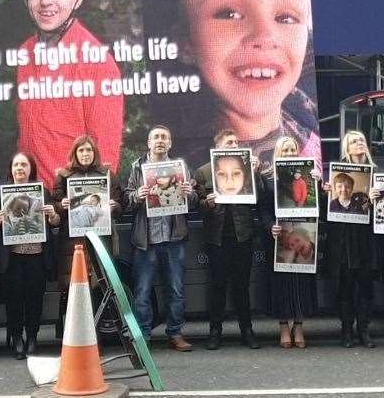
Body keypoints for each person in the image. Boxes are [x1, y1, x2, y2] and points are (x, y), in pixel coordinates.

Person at [145, 0, 321, 171]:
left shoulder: (304, 108)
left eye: (286, 17)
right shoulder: (177, 167)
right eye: (229, 13)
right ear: (185, 42)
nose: (265, 36)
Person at [16, 0, 124, 186]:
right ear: (26, 0)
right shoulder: (25, 52)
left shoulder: (98, 61)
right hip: (33, 195)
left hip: (73, 200)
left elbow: (105, 151)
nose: (45, 1)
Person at [124, 125, 198, 351]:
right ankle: (143, 336)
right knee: (142, 291)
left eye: (164, 137)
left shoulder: (181, 167)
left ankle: (175, 334)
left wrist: (189, 194)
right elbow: (126, 200)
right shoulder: (137, 168)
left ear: (170, 143)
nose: (160, 140)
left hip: (174, 238)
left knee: (175, 289)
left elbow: (195, 199)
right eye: (155, 137)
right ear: (148, 143)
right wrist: (137, 196)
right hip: (146, 241)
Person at [195, 129, 264, 350]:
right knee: (217, 286)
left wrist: (256, 174)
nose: (234, 145)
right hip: (216, 238)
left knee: (241, 286)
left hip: (243, 235)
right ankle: (215, 332)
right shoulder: (204, 172)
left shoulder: (248, 168)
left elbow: (262, 198)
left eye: (236, 142)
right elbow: (195, 205)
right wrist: (208, 203)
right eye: (229, 142)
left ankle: (247, 331)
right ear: (218, 146)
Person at [0, 152, 59, 359]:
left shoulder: (42, 192)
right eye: (16, 165)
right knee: (14, 300)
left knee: (35, 298)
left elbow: (55, 223)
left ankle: (33, 337)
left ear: (31, 169)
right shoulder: (0, 194)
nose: (20, 168)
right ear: (11, 169)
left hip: (37, 255)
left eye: (24, 165)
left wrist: (53, 215)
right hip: (11, 259)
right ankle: (17, 337)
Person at [52, 135, 124, 334]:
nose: (85, 154)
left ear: (95, 153)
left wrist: (114, 205)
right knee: (75, 287)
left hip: (101, 238)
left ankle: (98, 336)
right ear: (75, 153)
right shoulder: (63, 175)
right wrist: (61, 205)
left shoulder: (107, 174)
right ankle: (74, 335)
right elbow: (55, 205)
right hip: (73, 242)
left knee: (100, 286)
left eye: (89, 150)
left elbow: (121, 203)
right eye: (81, 150)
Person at [322, 131, 380, 348]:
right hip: (342, 241)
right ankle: (346, 330)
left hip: (366, 240)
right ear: (347, 147)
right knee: (344, 287)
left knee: (366, 287)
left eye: (362, 141)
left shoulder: (376, 174)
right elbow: (325, 213)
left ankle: (364, 330)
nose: (358, 144)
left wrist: (377, 200)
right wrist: (324, 194)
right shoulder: (335, 174)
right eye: (354, 141)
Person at [264, 135, 319, 349]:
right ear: (278, 152)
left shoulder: (309, 175)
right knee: (281, 283)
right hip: (279, 237)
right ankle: (283, 327)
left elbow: (318, 205)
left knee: (301, 280)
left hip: (304, 232)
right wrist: (270, 226)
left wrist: (317, 183)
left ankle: (298, 325)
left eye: (292, 149)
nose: (289, 153)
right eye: (285, 150)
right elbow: (263, 211)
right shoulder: (267, 178)